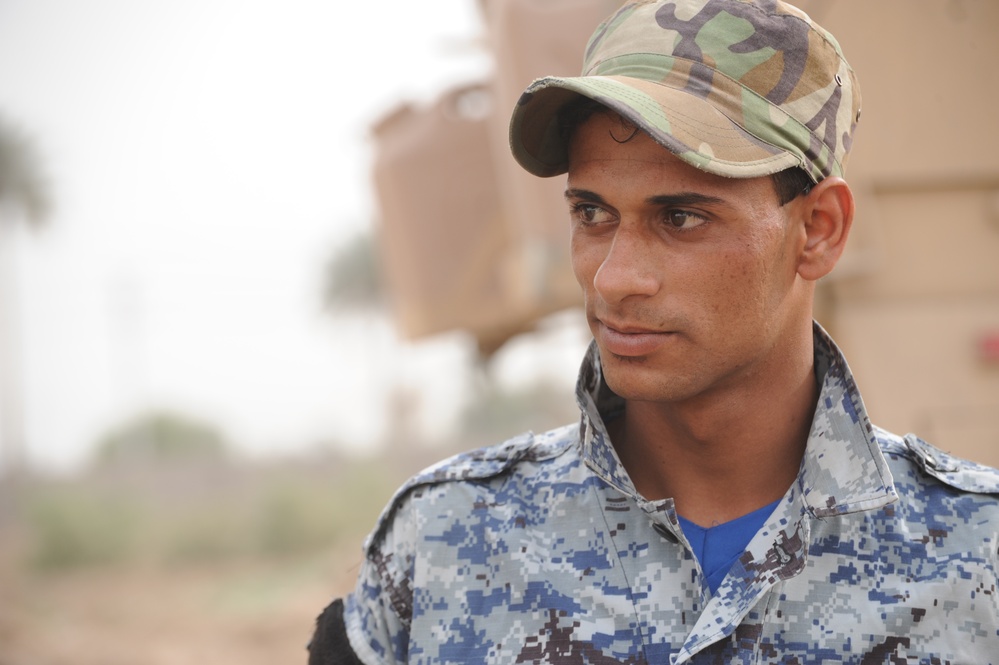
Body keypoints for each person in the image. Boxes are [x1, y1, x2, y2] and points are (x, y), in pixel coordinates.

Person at [309, 0, 999, 662]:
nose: (613, 278)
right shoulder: (441, 544)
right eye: (591, 213)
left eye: (681, 218)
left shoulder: (977, 552)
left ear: (816, 230)